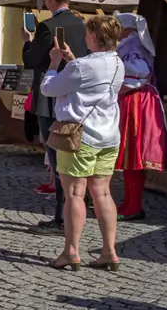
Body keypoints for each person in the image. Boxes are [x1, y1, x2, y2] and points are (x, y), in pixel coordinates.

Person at [39, 14, 125, 273]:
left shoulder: (81, 67)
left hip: (80, 136)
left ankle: (71, 251)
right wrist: (73, 60)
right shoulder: (118, 62)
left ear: (95, 37)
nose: (85, 36)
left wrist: (55, 63)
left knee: (74, 194)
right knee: (103, 193)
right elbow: (92, 82)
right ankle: (109, 251)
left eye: (88, 33)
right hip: (108, 135)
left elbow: (48, 88)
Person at [22, 0, 92, 234]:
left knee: (57, 160)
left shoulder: (47, 26)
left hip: (52, 99)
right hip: (79, 98)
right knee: (77, 158)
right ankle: (79, 210)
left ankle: (62, 218)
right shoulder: (84, 25)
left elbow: (31, 60)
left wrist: (27, 42)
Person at [114, 12, 167, 221]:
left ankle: (134, 205)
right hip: (133, 100)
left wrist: (113, 86)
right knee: (130, 154)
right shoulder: (129, 45)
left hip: (137, 101)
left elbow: (138, 75)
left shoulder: (133, 47)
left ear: (126, 29)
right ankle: (129, 202)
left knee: (134, 153)